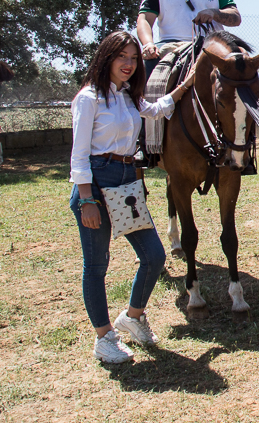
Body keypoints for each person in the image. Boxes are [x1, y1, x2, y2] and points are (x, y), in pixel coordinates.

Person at [69, 31, 195, 363]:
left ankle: (133, 316)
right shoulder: (89, 98)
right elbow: (79, 155)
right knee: (96, 266)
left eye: (133, 58)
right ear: (106, 58)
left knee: (153, 256)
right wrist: (86, 200)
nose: (128, 64)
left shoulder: (128, 97)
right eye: (121, 57)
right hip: (96, 185)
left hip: (127, 183)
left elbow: (157, 109)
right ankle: (104, 338)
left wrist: (185, 85)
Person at [134, 0, 239, 168]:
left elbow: (235, 16)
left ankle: (246, 146)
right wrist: (148, 44)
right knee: (145, 75)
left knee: (252, 77)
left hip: (212, 48)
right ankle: (143, 145)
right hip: (170, 47)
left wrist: (213, 12)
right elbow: (144, 20)